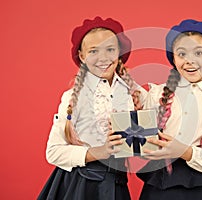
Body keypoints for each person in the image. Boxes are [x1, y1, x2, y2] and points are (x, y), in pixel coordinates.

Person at [38, 16, 147, 200]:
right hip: (80, 186)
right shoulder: (74, 97)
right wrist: (99, 151)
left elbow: (148, 136)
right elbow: (53, 152)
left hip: (117, 183)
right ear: (82, 56)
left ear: (119, 53)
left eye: (110, 49)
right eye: (93, 51)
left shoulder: (134, 92)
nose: (103, 57)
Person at [137, 19, 202, 199]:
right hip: (161, 188)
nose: (190, 61)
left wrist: (185, 151)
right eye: (182, 54)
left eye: (198, 53)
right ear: (173, 58)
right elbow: (144, 141)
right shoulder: (157, 94)